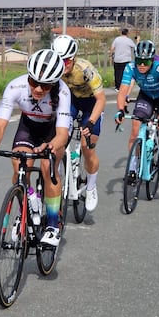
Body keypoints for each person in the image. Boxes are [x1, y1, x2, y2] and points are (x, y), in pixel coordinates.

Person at [0, 49, 71, 247]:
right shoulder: (15, 86)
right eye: (34, 82)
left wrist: (51, 145)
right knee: (19, 165)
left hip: (53, 130)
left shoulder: (62, 92)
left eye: (45, 85)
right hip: (28, 127)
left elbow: (62, 133)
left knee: (48, 167)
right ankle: (28, 203)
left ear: (53, 83)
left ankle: (53, 225)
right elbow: (0, 125)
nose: (37, 89)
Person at [52, 34, 106, 211]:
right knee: (59, 141)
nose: (63, 65)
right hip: (72, 102)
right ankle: (57, 176)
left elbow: (101, 99)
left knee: (86, 147)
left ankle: (90, 187)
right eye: (59, 60)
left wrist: (90, 122)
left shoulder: (85, 69)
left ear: (73, 58)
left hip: (92, 103)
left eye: (67, 60)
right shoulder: (54, 68)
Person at [115, 39, 159, 177]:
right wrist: (120, 110)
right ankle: (133, 166)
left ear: (152, 60)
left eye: (146, 62)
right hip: (147, 96)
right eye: (139, 61)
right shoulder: (130, 67)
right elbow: (122, 92)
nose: (142, 65)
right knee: (135, 128)